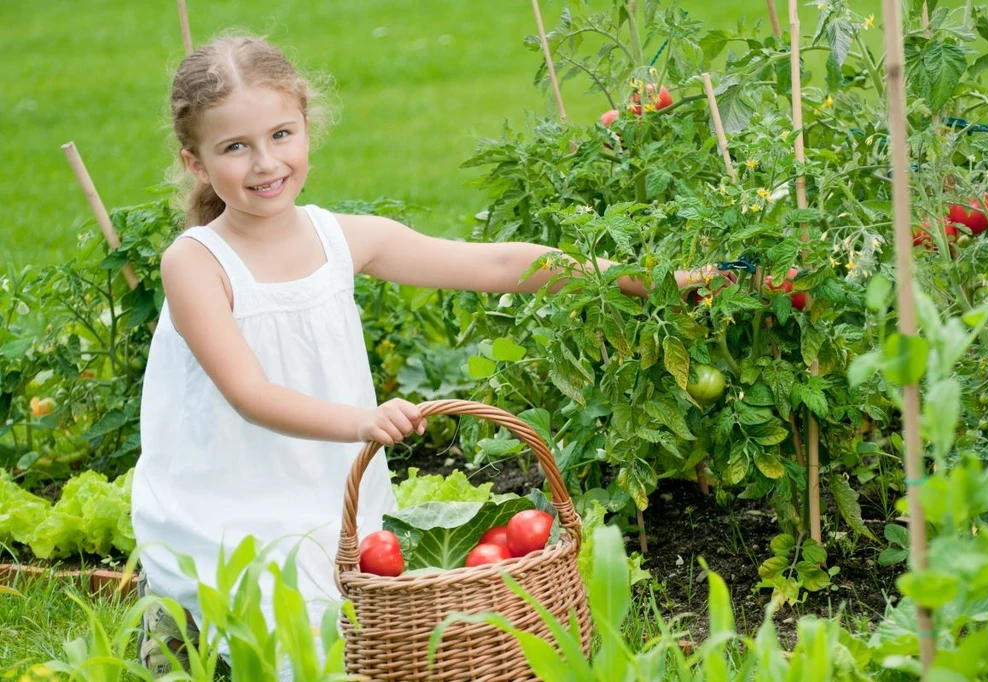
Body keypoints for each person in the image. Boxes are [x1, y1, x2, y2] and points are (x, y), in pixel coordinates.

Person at [130, 34, 724, 676]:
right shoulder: (195, 263)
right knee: (251, 639)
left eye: (281, 134)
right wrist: (360, 421)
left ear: (307, 124)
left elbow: (500, 262)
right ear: (196, 162)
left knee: (338, 633)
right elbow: (251, 394)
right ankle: (173, 629)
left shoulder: (340, 239)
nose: (265, 162)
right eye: (235, 147)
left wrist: (640, 277)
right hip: (224, 495)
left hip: (325, 492)